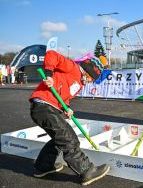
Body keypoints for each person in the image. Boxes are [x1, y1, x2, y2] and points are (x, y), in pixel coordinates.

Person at [29, 50, 110, 186]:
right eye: (91, 78)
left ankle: (43, 167)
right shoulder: (72, 67)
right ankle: (87, 171)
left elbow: (63, 96)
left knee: (59, 139)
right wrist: (49, 74)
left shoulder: (79, 83)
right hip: (43, 106)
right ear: (87, 70)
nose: (90, 82)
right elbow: (51, 54)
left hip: (50, 108)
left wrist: (66, 108)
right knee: (68, 138)